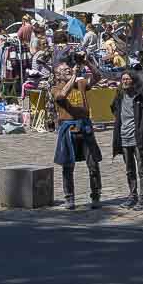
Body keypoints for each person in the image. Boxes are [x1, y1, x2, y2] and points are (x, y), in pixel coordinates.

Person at [108, 70, 143, 209]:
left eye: (127, 79)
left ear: (133, 81)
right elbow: (113, 108)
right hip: (124, 136)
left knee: (142, 170)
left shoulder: (141, 95)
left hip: (138, 138)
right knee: (129, 170)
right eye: (123, 79)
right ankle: (132, 196)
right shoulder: (120, 95)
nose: (125, 81)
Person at [52, 56, 103, 210]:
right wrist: (74, 75)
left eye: (69, 68)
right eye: (64, 70)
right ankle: (69, 198)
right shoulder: (55, 88)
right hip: (68, 129)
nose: (68, 69)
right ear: (57, 75)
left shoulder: (81, 83)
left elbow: (98, 77)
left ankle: (96, 195)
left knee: (93, 165)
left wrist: (87, 62)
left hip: (84, 127)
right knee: (68, 166)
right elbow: (62, 96)